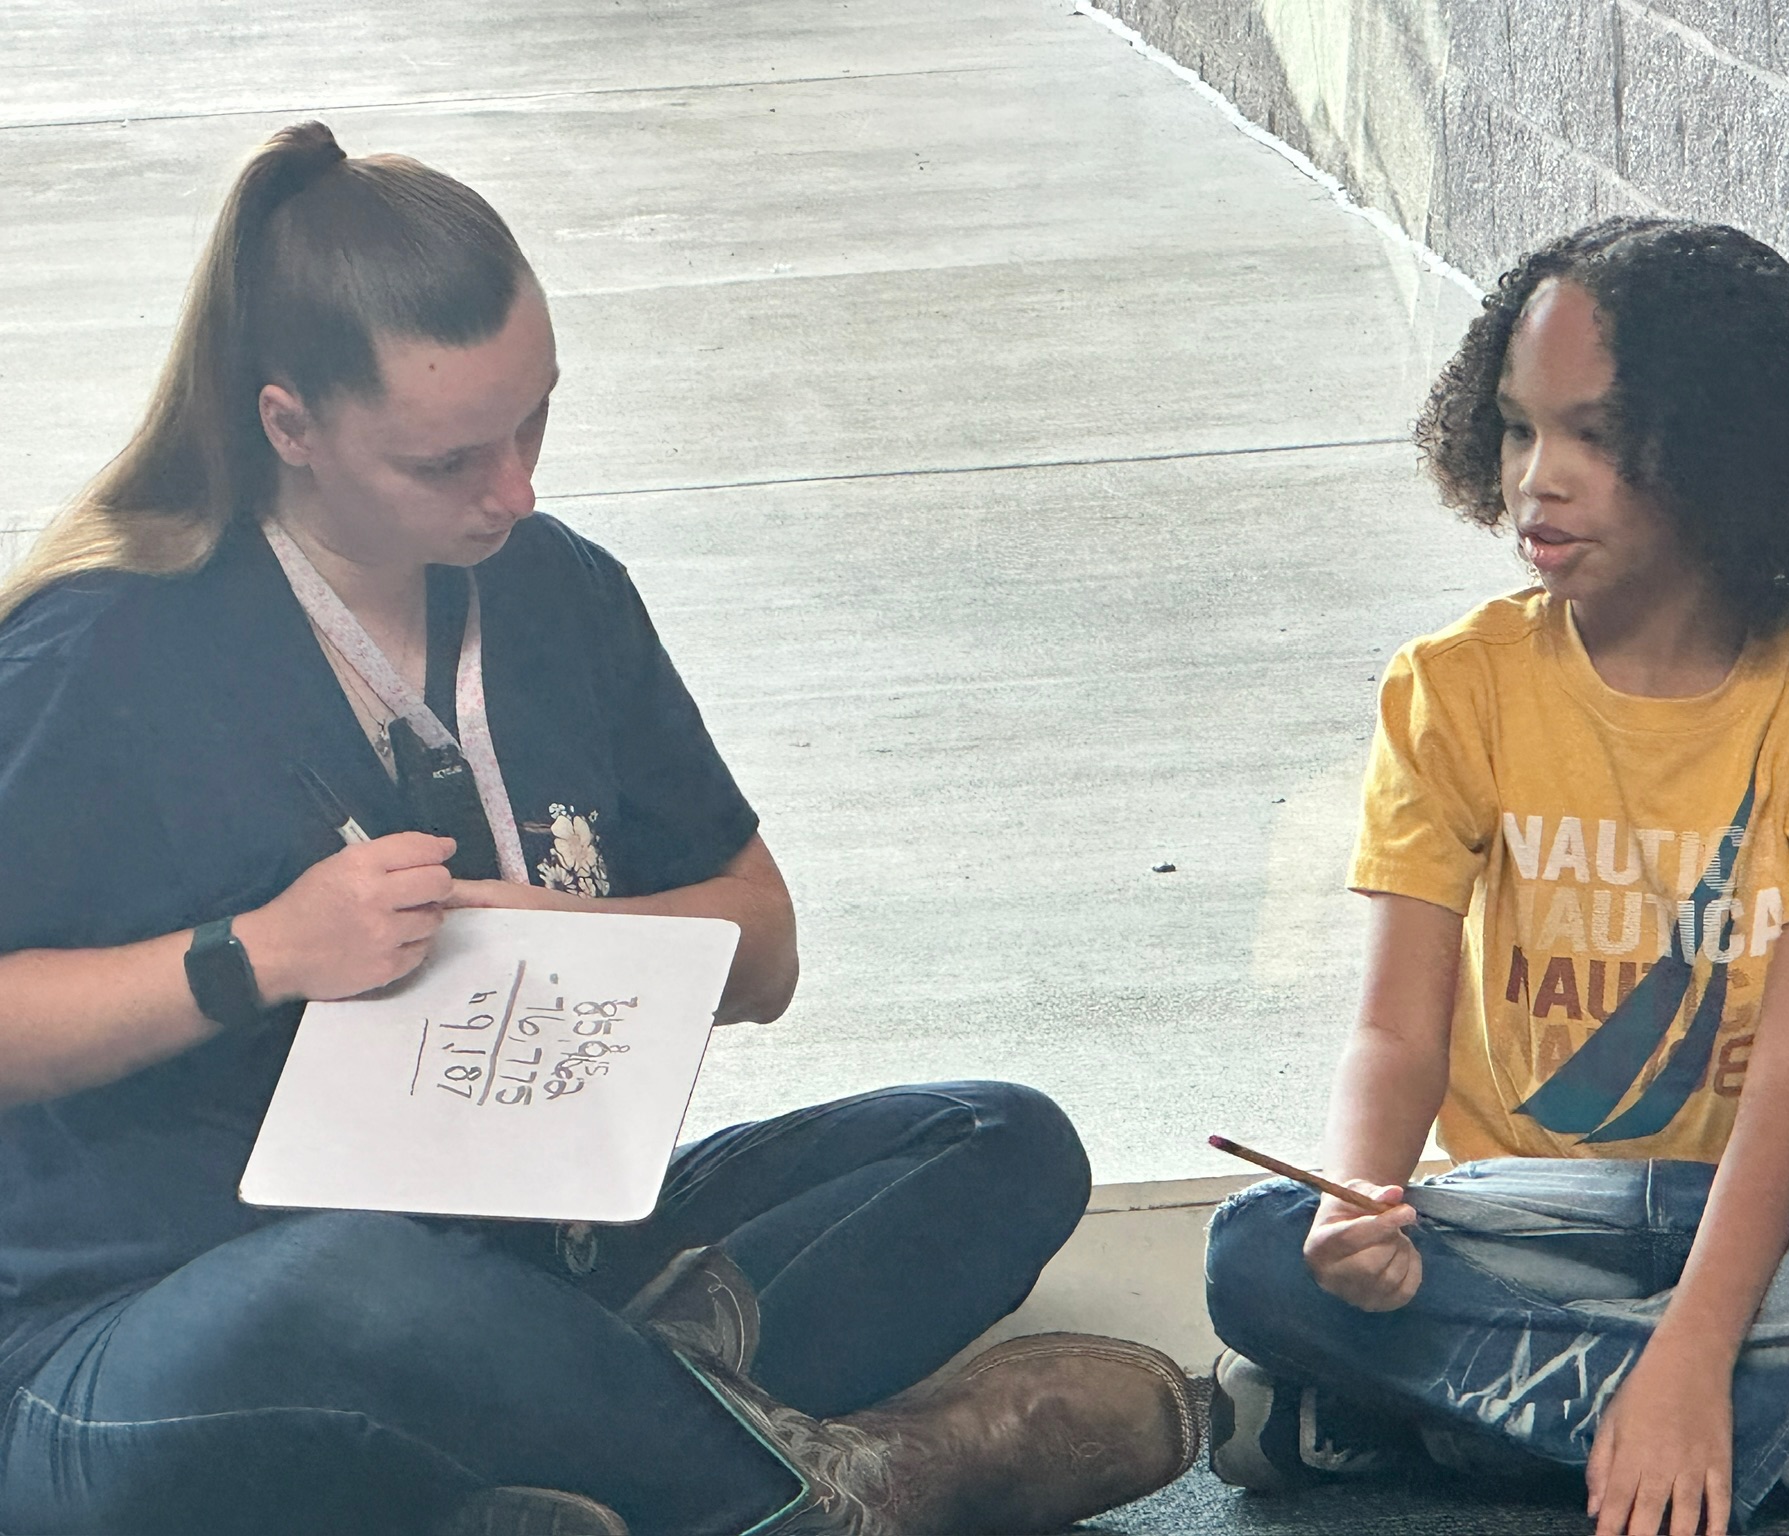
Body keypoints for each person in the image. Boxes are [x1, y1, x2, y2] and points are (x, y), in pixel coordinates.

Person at [0, 122, 1199, 1536]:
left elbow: (765, 949)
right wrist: (256, 953)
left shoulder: (560, 592)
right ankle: (843, 1489)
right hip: (148, 1326)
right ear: (289, 430)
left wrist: (565, 934)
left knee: (1001, 1144)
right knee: (342, 1290)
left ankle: (568, 1471)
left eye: (535, 421)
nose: (514, 489)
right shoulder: (101, 649)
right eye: (449, 460)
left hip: (540, 1252)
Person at [1203, 217, 1789, 1536]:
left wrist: (1695, 1352)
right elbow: (1392, 1025)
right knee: (1257, 1250)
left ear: (1727, 457)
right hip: (1529, 1211)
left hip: (1779, 1209)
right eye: (1520, 429)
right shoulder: (1452, 687)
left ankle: (1432, 1418)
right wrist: (1362, 1202)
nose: (1540, 479)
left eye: (1595, 436)